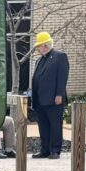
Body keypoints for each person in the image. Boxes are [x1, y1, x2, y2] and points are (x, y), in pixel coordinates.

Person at [29, 30, 71, 158]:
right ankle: (45, 149)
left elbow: (62, 77)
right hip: (40, 99)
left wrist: (59, 94)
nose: (38, 49)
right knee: (43, 125)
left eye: (39, 47)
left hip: (54, 99)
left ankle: (55, 150)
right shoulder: (40, 60)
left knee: (55, 125)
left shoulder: (59, 56)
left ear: (45, 45)